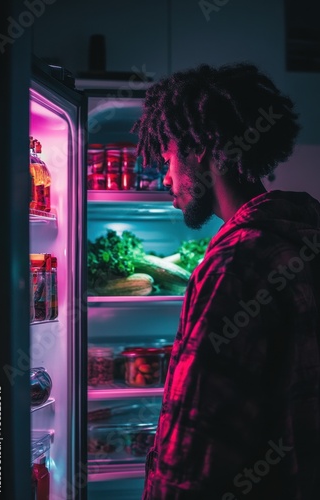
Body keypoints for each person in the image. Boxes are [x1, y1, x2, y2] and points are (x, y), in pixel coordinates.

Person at [132, 63, 320, 499]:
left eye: (167, 160)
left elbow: (192, 452)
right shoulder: (301, 234)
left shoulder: (235, 264)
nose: (166, 179)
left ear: (198, 149)